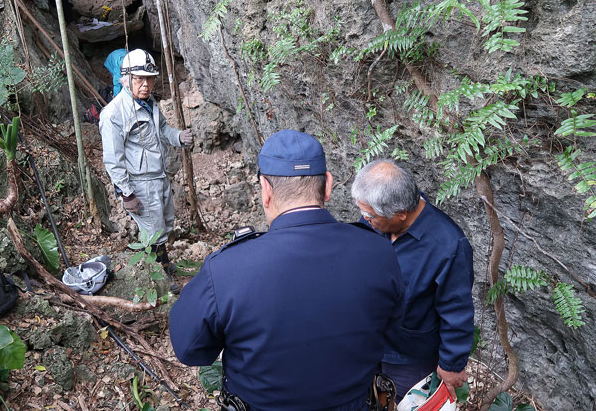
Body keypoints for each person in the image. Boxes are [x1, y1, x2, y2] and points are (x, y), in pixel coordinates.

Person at [170, 130, 404, 411]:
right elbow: (392, 327)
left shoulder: (226, 269)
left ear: (265, 190)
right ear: (328, 186)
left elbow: (189, 349)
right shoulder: (379, 251)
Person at [351, 159, 475, 403]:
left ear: (400, 214)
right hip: (370, 341)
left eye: (369, 215)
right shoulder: (380, 223)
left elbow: (457, 310)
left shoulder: (448, 245)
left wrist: (451, 364)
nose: (365, 219)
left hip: (409, 356)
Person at [98, 48, 193, 294]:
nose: (145, 84)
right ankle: (158, 277)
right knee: (152, 230)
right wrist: (126, 194)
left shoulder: (150, 104)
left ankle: (164, 261)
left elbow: (163, 130)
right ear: (126, 79)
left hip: (159, 176)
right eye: (139, 79)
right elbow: (113, 160)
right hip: (140, 182)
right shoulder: (113, 114)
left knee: (164, 224)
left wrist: (179, 137)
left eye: (149, 78)